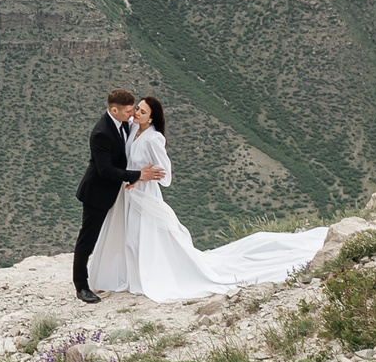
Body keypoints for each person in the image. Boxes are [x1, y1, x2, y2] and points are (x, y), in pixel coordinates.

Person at [86, 94, 328, 303]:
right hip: (130, 195)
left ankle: (148, 277)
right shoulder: (132, 131)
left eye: (142, 111)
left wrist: (142, 177)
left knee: (141, 238)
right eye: (137, 108)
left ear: (151, 118)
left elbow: (166, 176)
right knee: (131, 237)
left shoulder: (153, 139)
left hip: (145, 196)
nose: (136, 112)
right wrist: (135, 176)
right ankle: (131, 276)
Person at [72, 88, 162, 303]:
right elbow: (106, 171)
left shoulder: (123, 124)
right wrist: (139, 175)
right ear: (114, 110)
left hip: (119, 193)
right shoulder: (101, 132)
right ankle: (81, 286)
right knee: (88, 239)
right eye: (129, 111)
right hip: (98, 193)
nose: (132, 115)